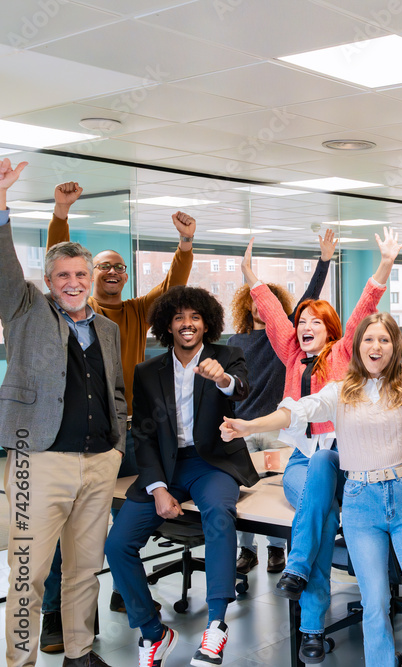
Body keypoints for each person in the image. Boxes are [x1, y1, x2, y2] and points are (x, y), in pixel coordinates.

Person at [221, 256, 402, 667]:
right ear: (357, 347)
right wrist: (248, 425)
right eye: (369, 340)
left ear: (395, 347)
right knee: (375, 603)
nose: (376, 347)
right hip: (362, 501)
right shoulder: (339, 390)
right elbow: (294, 411)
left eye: (384, 340)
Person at [41, 181, 196, 644]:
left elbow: (172, 286)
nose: (112, 272)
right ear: (89, 275)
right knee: (69, 531)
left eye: (119, 267)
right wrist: (61, 214)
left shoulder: (133, 313)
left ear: (125, 277)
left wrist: (185, 243)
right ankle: (55, 613)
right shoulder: (69, 311)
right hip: (79, 436)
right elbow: (57, 260)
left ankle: (124, 591)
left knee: (128, 518)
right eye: (104, 266)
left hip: (129, 433)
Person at [239, 229, 400, 663]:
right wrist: (251, 276)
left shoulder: (345, 352)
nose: (305, 327)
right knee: (323, 515)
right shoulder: (292, 355)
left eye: (315, 322)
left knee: (320, 495)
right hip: (301, 460)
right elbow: (274, 315)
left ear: (330, 331)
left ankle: (302, 585)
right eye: (302, 322)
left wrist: (385, 264)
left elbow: (364, 308)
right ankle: (308, 617)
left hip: (348, 458)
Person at [0, 159, 126, 667]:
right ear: (49, 280)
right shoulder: (26, 310)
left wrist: (117, 446)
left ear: (90, 278)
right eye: (63, 275)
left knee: (83, 570)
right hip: (38, 462)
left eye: (80, 274)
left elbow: (116, 392)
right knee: (28, 572)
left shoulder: (107, 329)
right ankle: (21, 660)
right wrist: (1, 203)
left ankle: (80, 652)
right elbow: (4, 271)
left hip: (98, 464)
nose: (73, 282)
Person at [104, 286, 258, 667]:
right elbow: (143, 434)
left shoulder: (227, 356)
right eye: (179, 318)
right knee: (117, 544)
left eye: (195, 317)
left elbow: (240, 389)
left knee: (219, 515)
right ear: (167, 325)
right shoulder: (147, 371)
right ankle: (154, 632)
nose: (187, 324)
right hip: (166, 469)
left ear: (207, 324)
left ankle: (216, 624)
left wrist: (222, 379)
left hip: (213, 464)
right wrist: (157, 488)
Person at [229, 228, 338, 577]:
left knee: (281, 498)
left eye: (265, 301)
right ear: (247, 305)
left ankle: (279, 551)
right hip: (246, 426)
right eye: (254, 300)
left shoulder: (288, 341)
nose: (259, 305)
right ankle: (247, 551)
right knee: (247, 493)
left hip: (281, 427)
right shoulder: (235, 341)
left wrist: (324, 261)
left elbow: (309, 299)